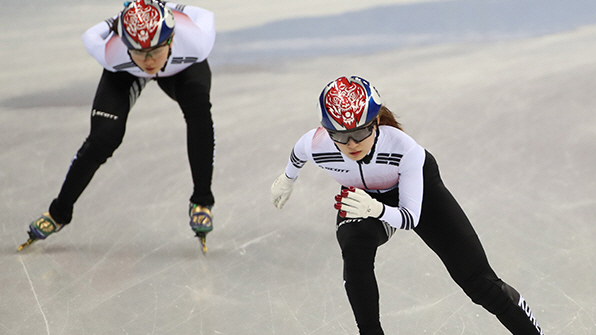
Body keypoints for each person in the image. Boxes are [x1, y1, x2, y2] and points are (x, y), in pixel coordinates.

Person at [271, 76, 545, 334]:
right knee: (355, 251)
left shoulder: (405, 149)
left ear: (376, 122)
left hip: (415, 193)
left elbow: (410, 217)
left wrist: (375, 210)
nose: (352, 144)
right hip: (364, 196)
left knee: (478, 282)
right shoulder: (317, 143)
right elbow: (298, 154)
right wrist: (287, 179)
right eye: (340, 135)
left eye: (361, 131)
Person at [19, 0, 216, 253]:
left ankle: (202, 201)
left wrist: (168, 6)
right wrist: (116, 21)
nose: (148, 61)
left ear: (171, 39)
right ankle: (59, 212)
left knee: (199, 113)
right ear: (125, 45)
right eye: (139, 52)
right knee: (103, 138)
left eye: (154, 51)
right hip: (125, 73)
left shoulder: (196, 41)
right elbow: (91, 34)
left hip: (181, 69)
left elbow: (205, 15)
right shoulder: (110, 50)